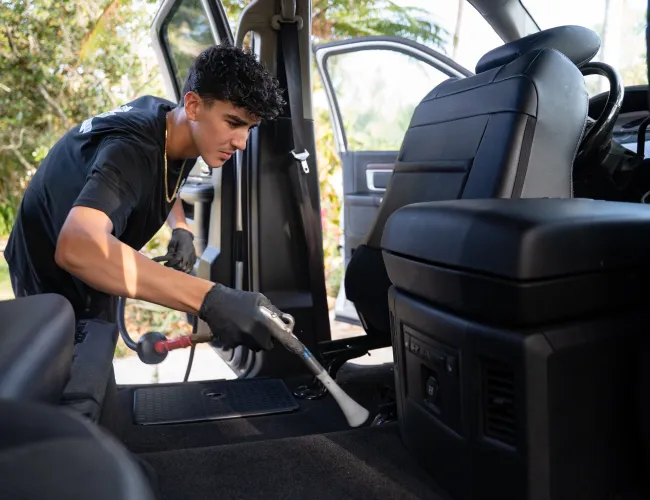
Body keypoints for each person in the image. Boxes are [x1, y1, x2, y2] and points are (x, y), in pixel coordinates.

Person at [4, 44, 286, 352]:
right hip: (45, 266)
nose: (242, 143)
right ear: (192, 106)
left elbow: (163, 176)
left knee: (99, 342)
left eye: (250, 128)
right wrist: (211, 299)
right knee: (72, 364)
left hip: (94, 253)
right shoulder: (131, 150)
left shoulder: (179, 127)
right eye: (233, 123)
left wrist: (180, 227)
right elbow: (78, 247)